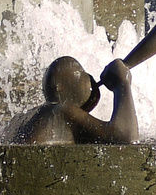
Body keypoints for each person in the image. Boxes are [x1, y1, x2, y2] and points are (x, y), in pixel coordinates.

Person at [7, 56, 138, 144]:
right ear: (59, 87)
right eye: (82, 74)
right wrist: (122, 83)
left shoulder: (22, 118)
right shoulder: (61, 112)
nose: (90, 78)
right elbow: (126, 137)